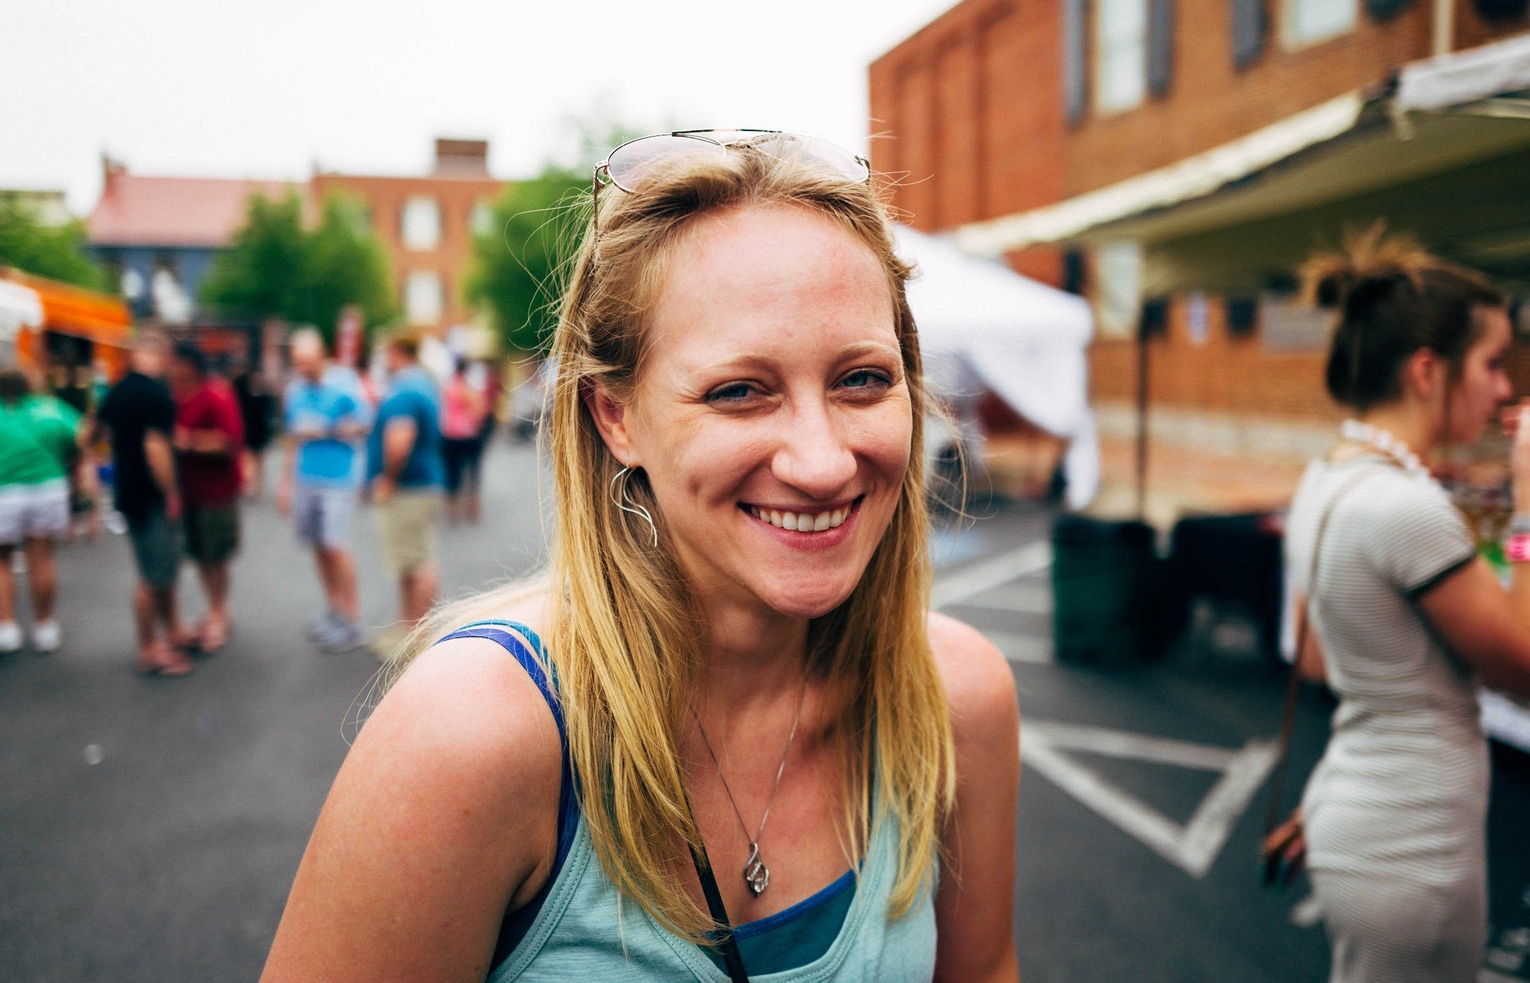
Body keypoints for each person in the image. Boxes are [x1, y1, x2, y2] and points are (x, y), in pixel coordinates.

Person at [262, 129, 1020, 982]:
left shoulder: (957, 700)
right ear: (615, 417)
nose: (823, 461)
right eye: (740, 391)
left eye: (862, 380)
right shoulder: (472, 740)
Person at [1284, 227, 1530, 982]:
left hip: (1354, 811)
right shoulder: (1405, 507)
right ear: (1426, 370)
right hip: (1415, 844)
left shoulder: (1327, 475)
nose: (1505, 388)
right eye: (1493, 362)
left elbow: (1315, 654)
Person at [98, 330, 192, 676]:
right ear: (159, 356)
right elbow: (156, 448)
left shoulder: (117, 390)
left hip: (127, 493)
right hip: (152, 496)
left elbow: (89, 433)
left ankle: (174, 631)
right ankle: (150, 649)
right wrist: (170, 493)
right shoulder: (156, 395)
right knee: (153, 577)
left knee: (160, 570)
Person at [279, 328, 369, 653]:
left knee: (335, 546)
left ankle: (353, 619)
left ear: (322, 355)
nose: (303, 368)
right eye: (297, 363)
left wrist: (330, 430)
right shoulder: (294, 391)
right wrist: (285, 482)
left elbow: (364, 424)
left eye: (307, 362)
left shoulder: (345, 383)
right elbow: (292, 437)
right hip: (307, 478)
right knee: (317, 545)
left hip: (338, 479)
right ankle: (334, 610)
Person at [364, 331, 444, 656]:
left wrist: (387, 479)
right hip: (418, 485)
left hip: (408, 487)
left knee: (417, 562)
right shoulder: (420, 383)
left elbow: (400, 438)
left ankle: (418, 639)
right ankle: (409, 632)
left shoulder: (404, 389)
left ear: (397, 351)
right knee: (409, 562)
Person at [0, 366, 82, 655]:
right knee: (42, 558)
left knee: (2, 561)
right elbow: (82, 438)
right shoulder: (50, 408)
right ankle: (44, 626)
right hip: (48, 487)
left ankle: (6, 627)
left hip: (3, 491)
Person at [170, 343, 245, 653]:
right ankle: (216, 610)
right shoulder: (176, 395)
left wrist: (187, 442)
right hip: (190, 492)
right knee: (201, 555)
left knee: (216, 555)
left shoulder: (215, 393)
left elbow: (230, 441)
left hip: (217, 491)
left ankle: (219, 611)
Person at [440, 356, 488, 525]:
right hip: (469, 434)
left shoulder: (447, 387)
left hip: (450, 434)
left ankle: (452, 509)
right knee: (472, 471)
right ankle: (472, 506)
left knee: (452, 471)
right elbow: (479, 411)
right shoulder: (470, 387)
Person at [231, 357, 277, 499]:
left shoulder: (265, 394)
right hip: (249, 430)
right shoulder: (244, 392)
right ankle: (250, 485)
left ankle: (257, 485)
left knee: (259, 459)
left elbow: (271, 411)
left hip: (261, 430)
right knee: (249, 459)